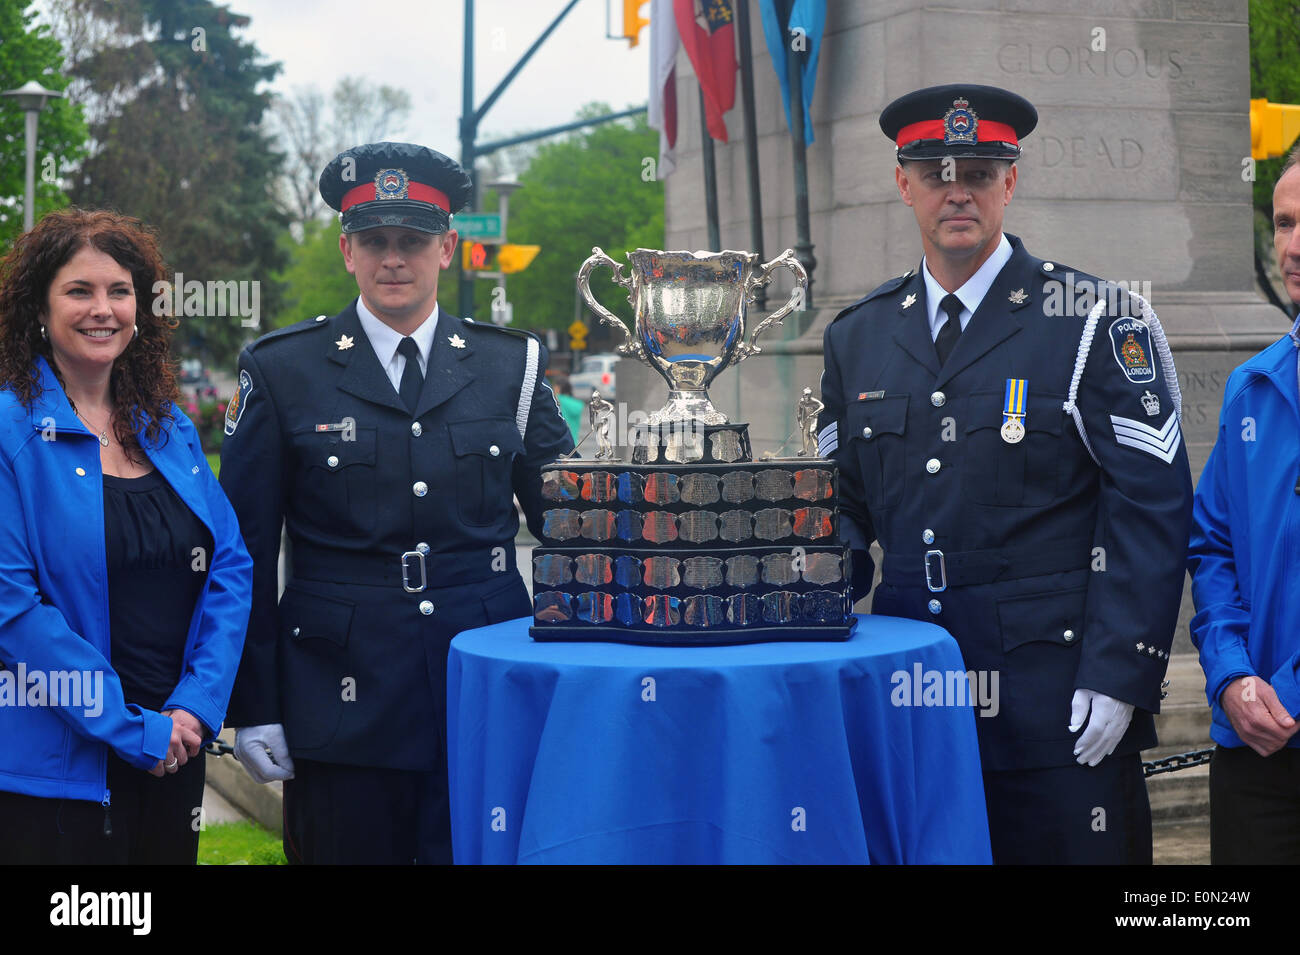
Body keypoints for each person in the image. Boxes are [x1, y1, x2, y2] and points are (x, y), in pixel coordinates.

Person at [818, 85, 1193, 864]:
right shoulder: (857, 337)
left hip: (1056, 708)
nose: (958, 188)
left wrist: (1123, 671)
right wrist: (789, 613)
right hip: (909, 697)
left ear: (1010, 182)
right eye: (935, 169)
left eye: (981, 170)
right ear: (903, 183)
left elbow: (1149, 508)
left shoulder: (1092, 320)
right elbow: (843, 510)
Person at [221, 142, 574, 864]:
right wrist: (254, 705)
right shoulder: (282, 369)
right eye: (374, 241)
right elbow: (244, 554)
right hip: (338, 701)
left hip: (485, 681)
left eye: (412, 241)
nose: (393, 259)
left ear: (447, 248)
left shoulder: (511, 364)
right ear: (346, 251)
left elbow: (567, 528)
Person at [0, 208, 251, 864]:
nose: (102, 309)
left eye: (119, 291)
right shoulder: (9, 430)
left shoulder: (168, 427)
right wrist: (130, 727)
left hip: (175, 749)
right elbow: (14, 608)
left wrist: (194, 708)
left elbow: (230, 565)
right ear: (39, 308)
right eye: (78, 290)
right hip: (59, 767)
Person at [1188, 141, 1300, 864]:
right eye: (1284, 223)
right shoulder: (1250, 387)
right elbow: (1212, 548)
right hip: (1259, 753)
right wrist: (1230, 674)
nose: (1291, 246)